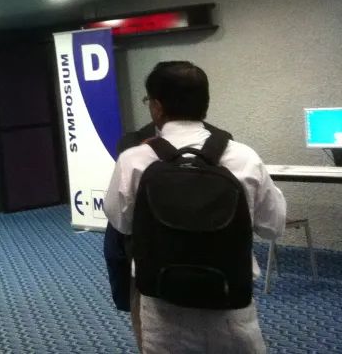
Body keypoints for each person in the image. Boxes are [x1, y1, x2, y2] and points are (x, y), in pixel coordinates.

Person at [103, 62, 286, 354]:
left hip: (162, 308)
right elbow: (273, 227)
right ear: (205, 102)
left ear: (156, 107)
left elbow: (121, 223)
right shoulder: (244, 157)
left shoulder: (133, 160)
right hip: (229, 305)